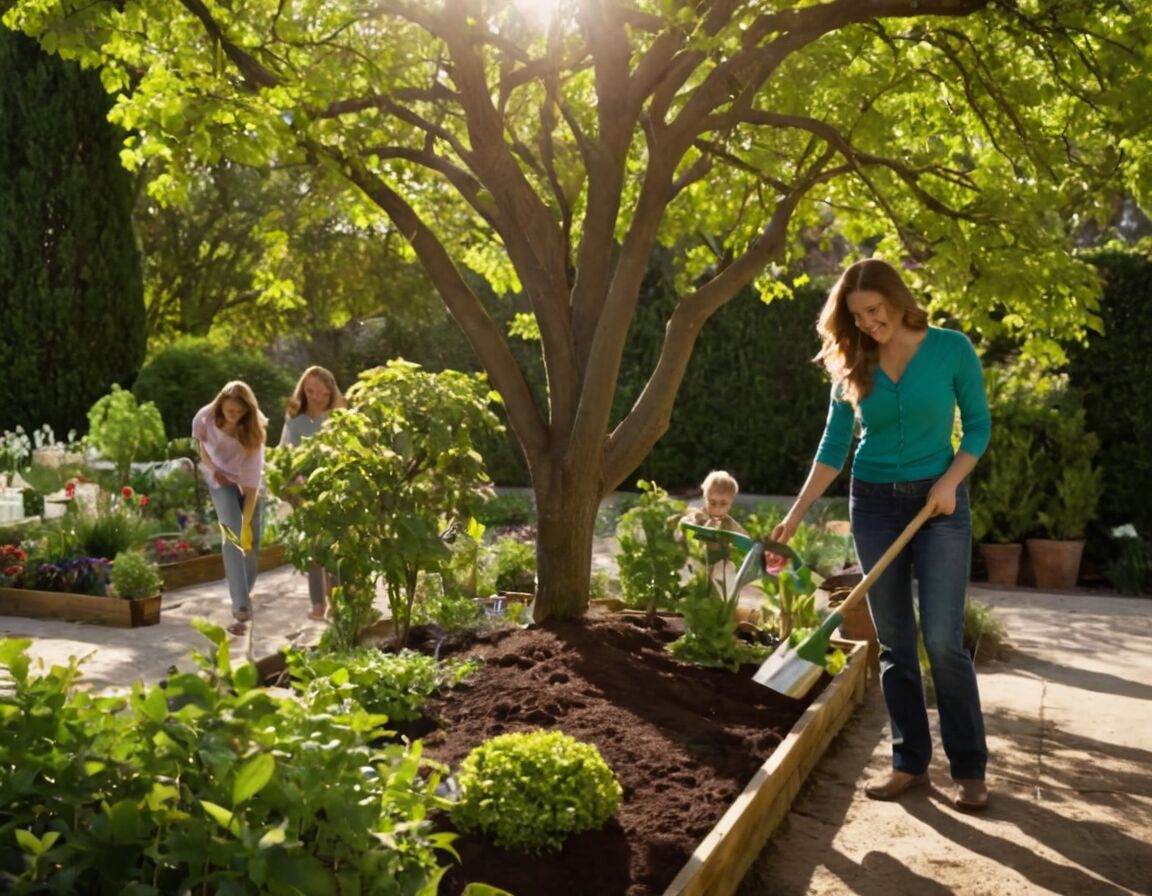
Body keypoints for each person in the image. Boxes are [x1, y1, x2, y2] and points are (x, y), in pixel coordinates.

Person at [769, 258, 992, 812]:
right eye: (857, 316)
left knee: (942, 640)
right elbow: (832, 444)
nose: (868, 323)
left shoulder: (950, 348)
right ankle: (908, 763)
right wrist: (795, 515)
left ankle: (968, 768)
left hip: (939, 505)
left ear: (896, 298)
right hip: (871, 504)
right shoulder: (853, 359)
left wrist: (949, 482)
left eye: (874, 310)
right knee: (893, 641)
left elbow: (980, 426)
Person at [192, 381, 268, 636]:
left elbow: (251, 487)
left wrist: (247, 524)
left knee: (251, 541)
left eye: (239, 413)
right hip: (219, 478)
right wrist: (215, 471)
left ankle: (243, 594)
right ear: (220, 406)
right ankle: (241, 606)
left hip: (248, 481)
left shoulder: (253, 433)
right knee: (232, 536)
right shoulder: (204, 418)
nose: (234, 417)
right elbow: (202, 448)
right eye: (230, 411)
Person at [279, 365, 346, 621]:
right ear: (303, 391)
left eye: (321, 391)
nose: (316, 396)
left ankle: (338, 601)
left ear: (330, 390)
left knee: (337, 547)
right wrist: (295, 485)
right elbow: (286, 457)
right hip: (305, 492)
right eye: (310, 391)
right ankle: (318, 605)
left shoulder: (338, 419)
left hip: (335, 490)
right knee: (316, 550)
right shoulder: (296, 424)